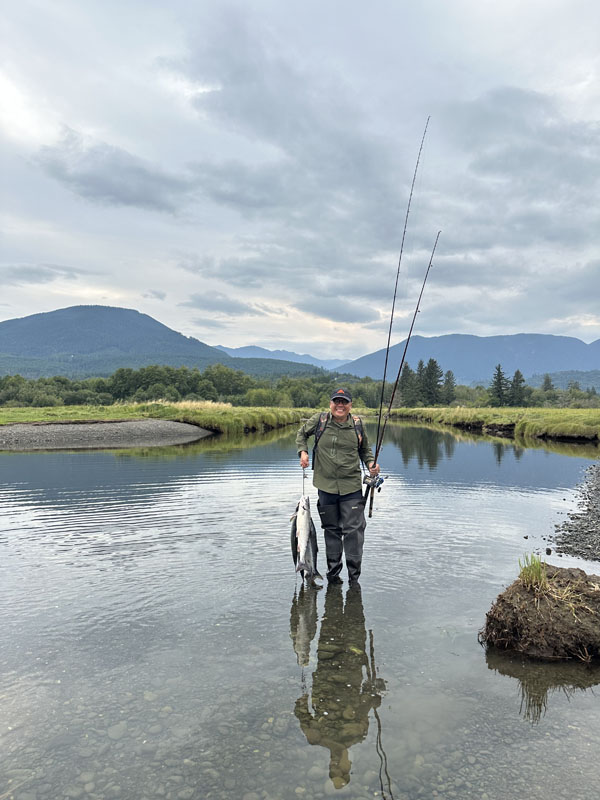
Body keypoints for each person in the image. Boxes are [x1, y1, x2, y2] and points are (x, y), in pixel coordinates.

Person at [295, 388, 380, 584]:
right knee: (331, 530)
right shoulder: (320, 420)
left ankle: (354, 579)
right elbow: (301, 434)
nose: (340, 405)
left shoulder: (357, 424)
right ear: (331, 404)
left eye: (344, 402)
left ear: (350, 405)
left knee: (354, 532)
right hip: (325, 486)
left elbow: (365, 450)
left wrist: (371, 464)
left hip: (351, 487)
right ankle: (333, 576)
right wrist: (303, 452)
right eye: (336, 401)